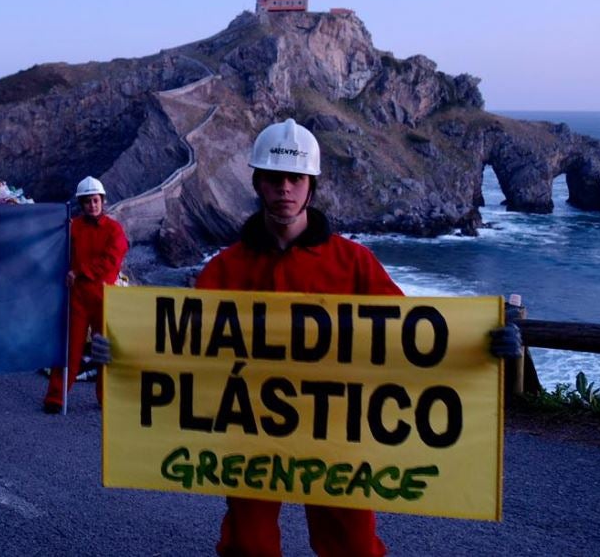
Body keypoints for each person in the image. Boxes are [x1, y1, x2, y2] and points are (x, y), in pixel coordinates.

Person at [91, 119, 522, 556]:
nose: (285, 189)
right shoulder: (224, 270)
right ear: (258, 183)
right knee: (248, 543)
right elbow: (186, 354)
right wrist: (123, 356)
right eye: (274, 179)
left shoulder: (353, 263)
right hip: (247, 431)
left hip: (336, 431)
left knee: (352, 545)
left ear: (310, 185)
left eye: (295, 178)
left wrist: (482, 345)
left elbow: (407, 338)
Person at [43, 176, 128, 414]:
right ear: (81, 204)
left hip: (104, 297)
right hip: (78, 296)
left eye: (95, 200)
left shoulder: (114, 229)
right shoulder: (73, 227)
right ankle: (56, 397)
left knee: (103, 350)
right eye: (88, 202)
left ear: (102, 201)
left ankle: (106, 396)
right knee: (69, 348)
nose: (93, 205)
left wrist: (79, 272)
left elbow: (112, 260)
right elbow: (59, 253)